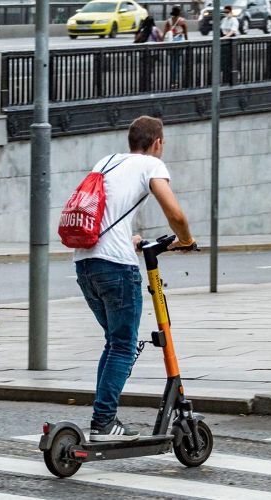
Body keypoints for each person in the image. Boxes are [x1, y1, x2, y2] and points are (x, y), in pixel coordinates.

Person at [75, 116, 195, 442]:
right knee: (124, 346)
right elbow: (175, 214)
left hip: (85, 264)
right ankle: (103, 422)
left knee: (115, 343)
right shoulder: (150, 165)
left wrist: (131, 240)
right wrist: (186, 240)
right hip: (116, 267)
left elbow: (103, 212)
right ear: (157, 143)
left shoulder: (106, 162)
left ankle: (104, 418)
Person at [162, 5, 188, 86]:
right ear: (179, 12)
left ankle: (172, 80)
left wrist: (161, 43)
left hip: (171, 44)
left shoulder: (168, 21)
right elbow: (186, 34)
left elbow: (164, 34)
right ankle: (176, 80)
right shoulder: (182, 21)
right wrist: (187, 43)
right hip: (179, 44)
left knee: (172, 62)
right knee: (177, 62)